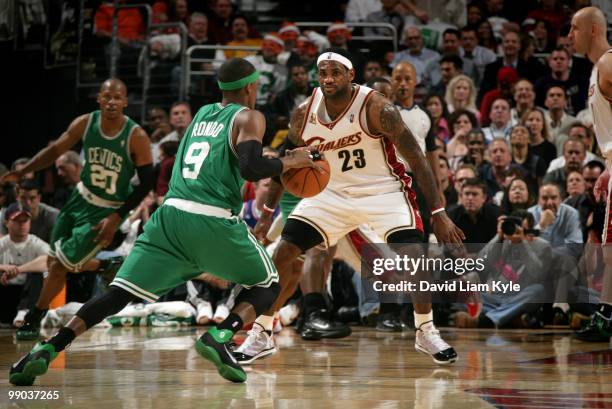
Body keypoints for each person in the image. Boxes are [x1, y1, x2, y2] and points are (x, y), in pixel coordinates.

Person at [8, 58, 317, 386]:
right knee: (268, 282)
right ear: (252, 86)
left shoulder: (201, 114)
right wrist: (290, 159)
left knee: (118, 293)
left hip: (167, 218)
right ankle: (220, 336)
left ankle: (49, 347)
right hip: (210, 218)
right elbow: (251, 168)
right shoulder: (250, 116)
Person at [242, 48, 465, 366]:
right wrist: (266, 213)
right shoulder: (303, 113)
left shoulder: (377, 106)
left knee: (414, 255)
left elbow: (416, 156)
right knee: (284, 251)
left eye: (335, 72)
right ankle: (261, 333)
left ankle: (425, 329)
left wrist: (439, 212)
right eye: (322, 73)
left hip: (383, 192)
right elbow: (285, 163)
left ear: (351, 75)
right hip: (330, 194)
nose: (328, 79)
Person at [0, 79, 155, 341]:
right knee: (53, 262)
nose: (112, 102)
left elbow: (147, 183)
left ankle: (33, 317)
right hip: (78, 200)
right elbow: (55, 150)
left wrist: (117, 216)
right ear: (99, 99)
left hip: (105, 212)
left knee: (59, 266)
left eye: (117, 98)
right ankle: (103, 265)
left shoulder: (136, 136)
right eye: (107, 97)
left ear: (126, 102)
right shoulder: (85, 122)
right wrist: (25, 171)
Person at [568, 6, 612, 341]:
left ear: (593, 30)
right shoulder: (598, 69)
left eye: (574, 28)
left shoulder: (609, 63)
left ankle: (607, 314)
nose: (569, 35)